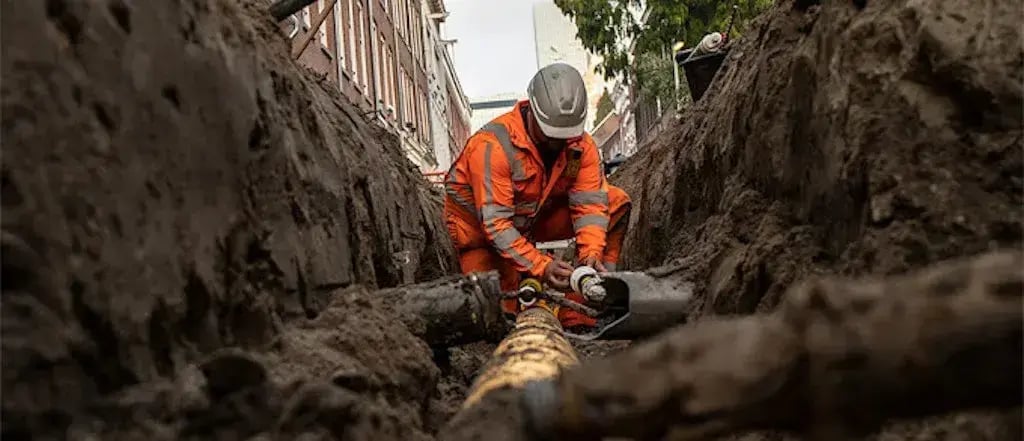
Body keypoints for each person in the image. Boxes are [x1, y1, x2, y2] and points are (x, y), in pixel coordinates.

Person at [443, 63, 631, 328]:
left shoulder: (578, 145)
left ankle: (584, 309)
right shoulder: (492, 146)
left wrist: (590, 254)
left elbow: (590, 206)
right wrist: (542, 267)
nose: (558, 144)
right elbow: (495, 226)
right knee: (494, 314)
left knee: (615, 201)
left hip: (531, 219)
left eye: (565, 137)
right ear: (531, 111)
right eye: (551, 135)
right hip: (480, 233)